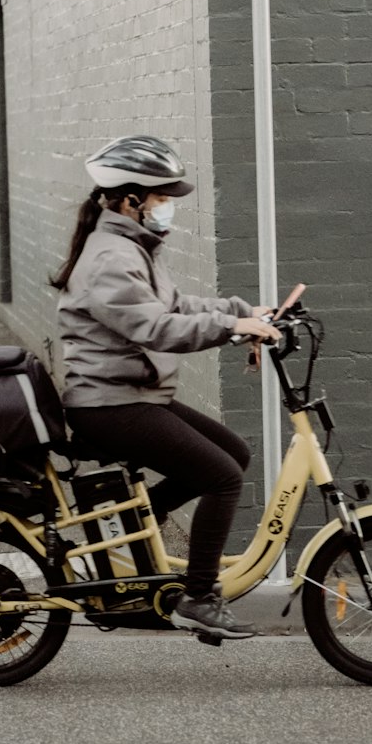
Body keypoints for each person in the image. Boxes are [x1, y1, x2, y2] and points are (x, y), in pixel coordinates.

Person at [53, 134, 280, 641]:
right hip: (108, 404)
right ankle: (199, 597)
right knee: (222, 476)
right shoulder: (111, 257)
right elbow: (156, 328)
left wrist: (244, 312)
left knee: (234, 453)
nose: (168, 207)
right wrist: (233, 330)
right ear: (131, 200)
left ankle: (132, 528)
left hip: (134, 396)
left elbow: (177, 305)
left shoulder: (131, 248)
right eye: (162, 197)